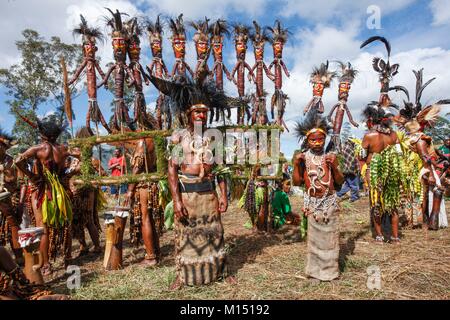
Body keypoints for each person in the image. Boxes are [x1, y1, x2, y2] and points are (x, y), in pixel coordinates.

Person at [149, 71, 231, 289]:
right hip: (187, 193)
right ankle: (183, 275)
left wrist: (224, 195)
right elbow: (172, 170)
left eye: (204, 112)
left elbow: (221, 171)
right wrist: (176, 200)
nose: (201, 116)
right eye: (197, 112)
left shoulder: (214, 138)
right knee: (186, 234)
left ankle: (221, 270)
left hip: (209, 193)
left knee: (215, 233)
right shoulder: (179, 137)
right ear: (188, 113)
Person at [13, 114, 73, 275]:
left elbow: (17, 160)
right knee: (65, 224)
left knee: (43, 227)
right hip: (60, 190)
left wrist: (31, 176)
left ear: (45, 135)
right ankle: (68, 261)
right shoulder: (63, 149)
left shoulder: (38, 149)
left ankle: (46, 264)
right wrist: (67, 175)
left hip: (43, 191)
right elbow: (80, 156)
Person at [292, 110, 344, 281]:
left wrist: (335, 167)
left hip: (329, 202)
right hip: (313, 204)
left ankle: (330, 272)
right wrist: (296, 165)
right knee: (314, 241)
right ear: (307, 140)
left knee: (330, 239)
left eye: (320, 139)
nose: (317, 143)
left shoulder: (330, 157)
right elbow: (297, 182)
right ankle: (314, 272)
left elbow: (340, 182)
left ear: (325, 139)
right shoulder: (303, 158)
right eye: (313, 139)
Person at [360, 103, 404, 243]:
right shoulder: (394, 135)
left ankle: (379, 236)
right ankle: (395, 236)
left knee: (376, 203)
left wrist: (364, 177)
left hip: (374, 171)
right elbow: (399, 154)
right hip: (391, 171)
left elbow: (361, 156)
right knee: (392, 204)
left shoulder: (369, 136)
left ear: (374, 119)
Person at [0, 128, 25, 264]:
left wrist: (20, 204)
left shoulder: (14, 163)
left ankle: (20, 259)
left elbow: (23, 184)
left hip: (12, 203)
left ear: (4, 148)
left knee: (13, 229)